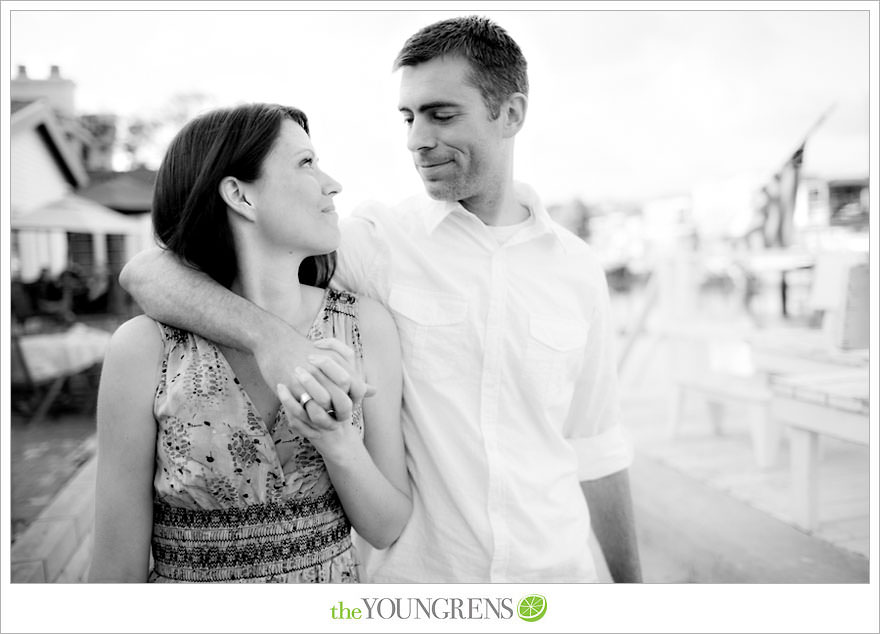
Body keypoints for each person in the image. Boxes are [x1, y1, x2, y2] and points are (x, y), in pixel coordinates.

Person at [121, 16, 642, 583]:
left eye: (442, 115)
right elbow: (150, 273)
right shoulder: (375, 242)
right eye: (409, 116)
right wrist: (271, 340)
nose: (418, 138)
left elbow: (598, 448)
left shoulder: (578, 270)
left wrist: (631, 592)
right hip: (418, 589)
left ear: (510, 114)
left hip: (558, 580)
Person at [88, 103, 411, 583]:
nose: (332, 183)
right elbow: (115, 567)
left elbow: (386, 527)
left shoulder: (364, 326)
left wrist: (338, 442)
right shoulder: (143, 348)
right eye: (305, 163)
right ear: (240, 195)